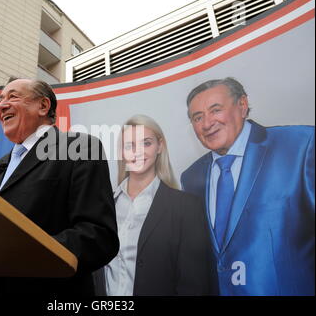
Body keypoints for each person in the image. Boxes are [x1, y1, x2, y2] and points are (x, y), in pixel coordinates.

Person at [0, 78, 119, 296]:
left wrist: (21, 254)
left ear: (43, 106)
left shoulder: (79, 147)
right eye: (1, 100)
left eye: (13, 96)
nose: (1, 106)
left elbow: (98, 236)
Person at [181, 77, 315, 296]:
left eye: (216, 110)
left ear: (242, 106)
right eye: (198, 117)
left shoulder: (300, 146)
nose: (207, 123)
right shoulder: (191, 178)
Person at [94, 115, 214, 296]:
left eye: (146, 143)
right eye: (129, 146)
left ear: (160, 146)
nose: (137, 152)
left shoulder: (187, 207)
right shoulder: (101, 207)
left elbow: (195, 285)